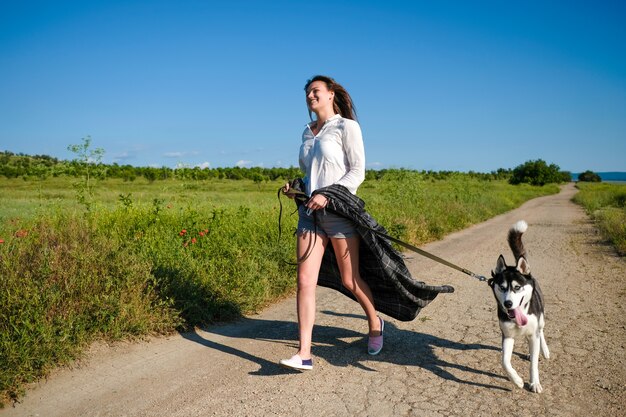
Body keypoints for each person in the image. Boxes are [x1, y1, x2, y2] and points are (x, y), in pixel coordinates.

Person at [279, 75, 383, 371]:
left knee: (350, 280)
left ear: (330, 94)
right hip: (309, 214)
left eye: (315, 91)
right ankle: (304, 353)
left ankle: (375, 323)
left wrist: (328, 194)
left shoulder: (346, 127)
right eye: (307, 93)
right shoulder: (306, 132)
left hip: (338, 211)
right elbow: (312, 173)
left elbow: (357, 172)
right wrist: (297, 186)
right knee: (304, 282)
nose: (310, 96)